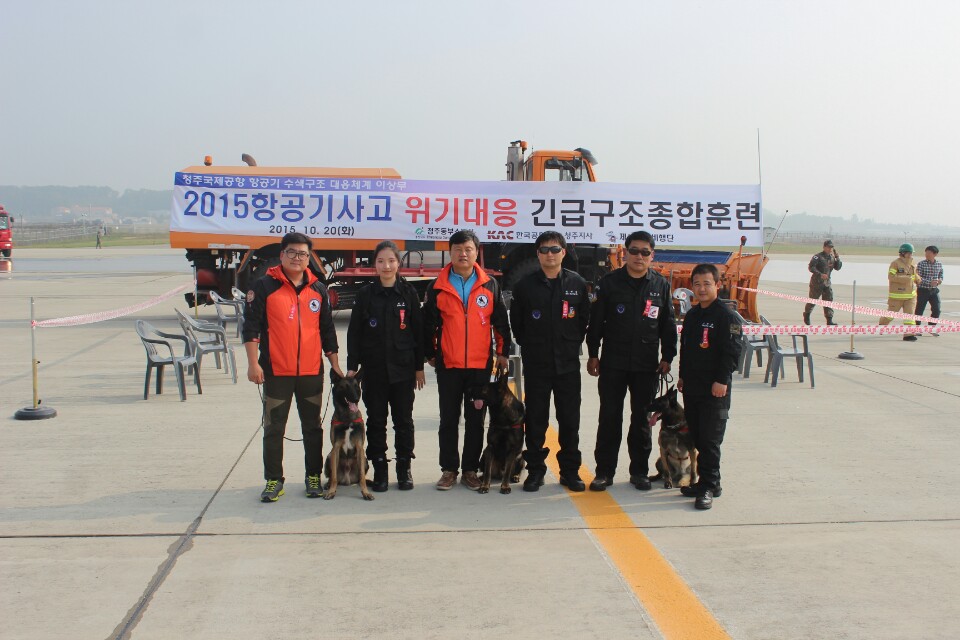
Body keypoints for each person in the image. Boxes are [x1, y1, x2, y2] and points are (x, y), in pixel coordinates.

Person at [242, 232, 342, 502]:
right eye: (292, 253)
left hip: (311, 372)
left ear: (309, 258)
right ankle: (274, 480)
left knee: (312, 427)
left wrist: (334, 364)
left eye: (303, 254)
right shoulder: (264, 287)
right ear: (282, 254)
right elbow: (251, 328)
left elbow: (327, 331)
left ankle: (312, 477)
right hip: (276, 372)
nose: (298, 258)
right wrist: (254, 365)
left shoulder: (318, 289)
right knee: (274, 427)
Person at [586, 230, 677, 492]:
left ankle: (639, 471)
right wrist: (593, 353)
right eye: (634, 251)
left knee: (641, 420)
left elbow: (667, 324)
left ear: (652, 255)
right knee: (609, 418)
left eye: (645, 252)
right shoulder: (610, 282)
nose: (639, 256)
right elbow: (596, 323)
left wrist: (667, 356)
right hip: (612, 363)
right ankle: (604, 472)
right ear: (625, 252)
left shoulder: (660, 285)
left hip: (646, 365)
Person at [423, 229, 511, 491]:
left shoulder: (489, 284)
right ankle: (449, 469)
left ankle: (470, 470)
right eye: (458, 249)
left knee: (476, 419)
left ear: (476, 252)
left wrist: (503, 353)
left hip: (479, 366)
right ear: (450, 252)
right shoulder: (437, 286)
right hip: (448, 366)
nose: (463, 253)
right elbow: (428, 325)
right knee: (448, 419)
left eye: (468, 249)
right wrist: (430, 354)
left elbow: (500, 322)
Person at [509, 231, 591, 492]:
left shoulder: (577, 284)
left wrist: (567, 344)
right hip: (537, 365)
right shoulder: (525, 286)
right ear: (537, 254)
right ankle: (535, 471)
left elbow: (582, 322)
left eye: (555, 249)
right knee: (535, 420)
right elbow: (518, 326)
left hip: (567, 365)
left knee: (569, 421)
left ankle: (569, 472)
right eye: (544, 250)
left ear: (563, 253)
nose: (549, 254)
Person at [346, 240, 425, 492]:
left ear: (398, 263)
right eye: (381, 261)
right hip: (374, 370)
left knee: (404, 421)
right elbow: (354, 333)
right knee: (376, 421)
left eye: (391, 260)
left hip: (403, 370)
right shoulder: (366, 295)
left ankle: (404, 469)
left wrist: (419, 366)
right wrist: (352, 366)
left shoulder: (409, 293)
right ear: (375, 264)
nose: (386, 265)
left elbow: (418, 332)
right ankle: (379, 469)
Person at [677, 264, 743, 510]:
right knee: (697, 436)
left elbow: (733, 352)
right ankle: (707, 482)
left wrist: (722, 380)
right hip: (693, 387)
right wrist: (682, 376)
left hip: (715, 389)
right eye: (697, 284)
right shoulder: (693, 315)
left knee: (710, 440)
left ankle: (708, 486)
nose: (702, 289)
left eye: (707, 284)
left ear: (718, 285)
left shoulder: (727, 316)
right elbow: (686, 349)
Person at [879, 243, 921, 341]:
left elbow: (914, 275)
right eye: (909, 253)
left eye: (911, 253)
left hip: (911, 295)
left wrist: (918, 279)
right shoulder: (895, 263)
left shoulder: (913, 263)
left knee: (909, 316)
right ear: (902, 253)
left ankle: (908, 334)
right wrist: (906, 278)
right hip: (897, 296)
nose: (910, 255)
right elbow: (891, 277)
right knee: (890, 315)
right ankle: (881, 325)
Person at [803, 240, 841, 325]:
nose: (830, 249)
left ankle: (829, 320)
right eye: (828, 247)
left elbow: (838, 267)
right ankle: (807, 314)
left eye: (831, 247)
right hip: (816, 283)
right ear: (824, 247)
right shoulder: (817, 257)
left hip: (826, 283)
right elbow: (811, 267)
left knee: (828, 300)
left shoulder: (832, 257)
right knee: (813, 300)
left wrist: (837, 258)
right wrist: (820, 274)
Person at [916, 245, 944, 336]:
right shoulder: (921, 264)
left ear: (935, 254)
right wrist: (929, 282)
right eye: (926, 253)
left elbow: (941, 274)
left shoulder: (939, 264)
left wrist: (940, 280)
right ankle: (916, 329)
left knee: (937, 309)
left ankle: (931, 328)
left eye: (929, 253)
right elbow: (918, 277)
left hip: (934, 290)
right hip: (923, 290)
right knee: (919, 310)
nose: (926, 255)